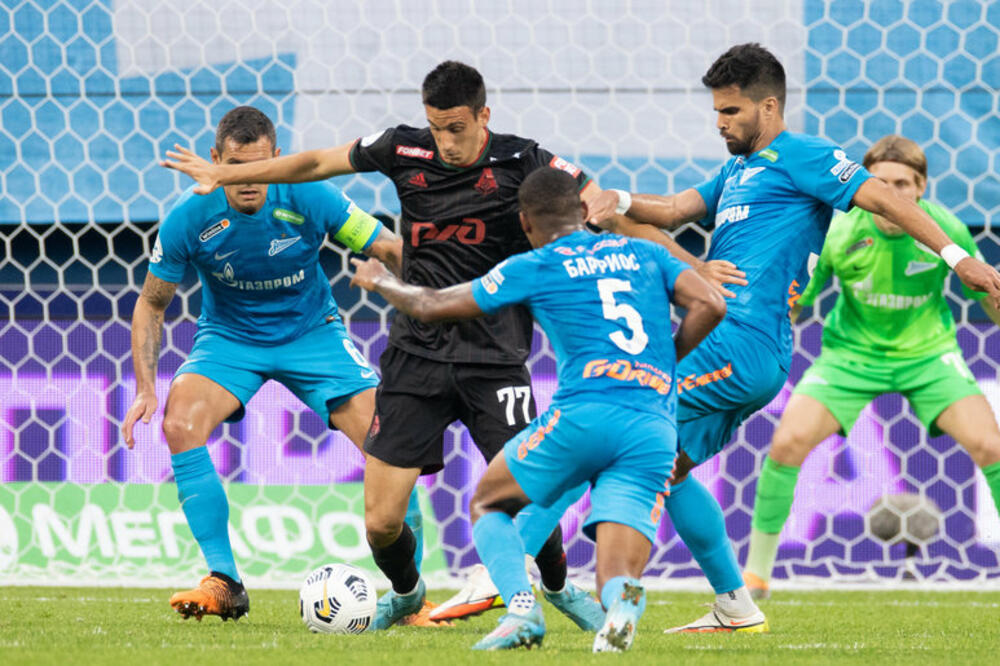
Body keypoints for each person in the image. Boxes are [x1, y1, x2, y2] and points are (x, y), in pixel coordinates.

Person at [160, 61, 638, 630]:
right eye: (436, 127)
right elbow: (317, 162)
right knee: (382, 522)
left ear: (484, 116)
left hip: (495, 358)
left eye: (457, 128)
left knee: (529, 490)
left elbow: (595, 195)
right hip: (415, 356)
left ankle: (558, 587)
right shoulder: (401, 149)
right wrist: (238, 173)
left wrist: (617, 211)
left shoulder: (522, 159)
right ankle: (410, 597)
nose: (446, 142)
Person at [585, 43, 1000, 633]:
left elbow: (879, 197)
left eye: (730, 111)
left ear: (769, 106)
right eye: (717, 112)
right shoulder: (737, 168)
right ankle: (736, 602)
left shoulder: (802, 153)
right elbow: (675, 208)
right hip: (769, 342)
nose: (720, 122)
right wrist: (619, 200)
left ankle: (523, 577)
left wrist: (958, 259)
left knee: (620, 434)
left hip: (752, 340)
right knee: (667, 467)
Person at [351, 167, 726, 651]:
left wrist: (383, 281)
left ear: (525, 223)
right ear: (585, 211)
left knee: (490, 503)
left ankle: (522, 611)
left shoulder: (535, 264)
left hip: (584, 414)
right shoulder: (648, 253)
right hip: (653, 423)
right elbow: (711, 304)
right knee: (615, 568)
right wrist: (666, 362)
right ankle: (622, 600)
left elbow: (431, 304)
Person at [122, 106, 404, 622]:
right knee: (179, 422)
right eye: (235, 166)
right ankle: (225, 581)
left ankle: (409, 595)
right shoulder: (189, 217)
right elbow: (152, 303)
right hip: (229, 340)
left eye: (258, 167)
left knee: (390, 444)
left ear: (276, 159)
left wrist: (453, 289)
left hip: (313, 334)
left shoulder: (310, 194)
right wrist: (145, 388)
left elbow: (385, 244)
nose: (248, 180)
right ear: (215, 161)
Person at [743, 135, 1000, 599]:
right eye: (880, 183)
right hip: (849, 357)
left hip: (929, 355)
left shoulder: (947, 232)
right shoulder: (839, 231)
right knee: (786, 443)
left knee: (990, 445)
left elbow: (989, 298)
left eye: (903, 184)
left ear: (921, 188)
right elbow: (795, 304)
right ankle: (756, 575)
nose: (892, 195)